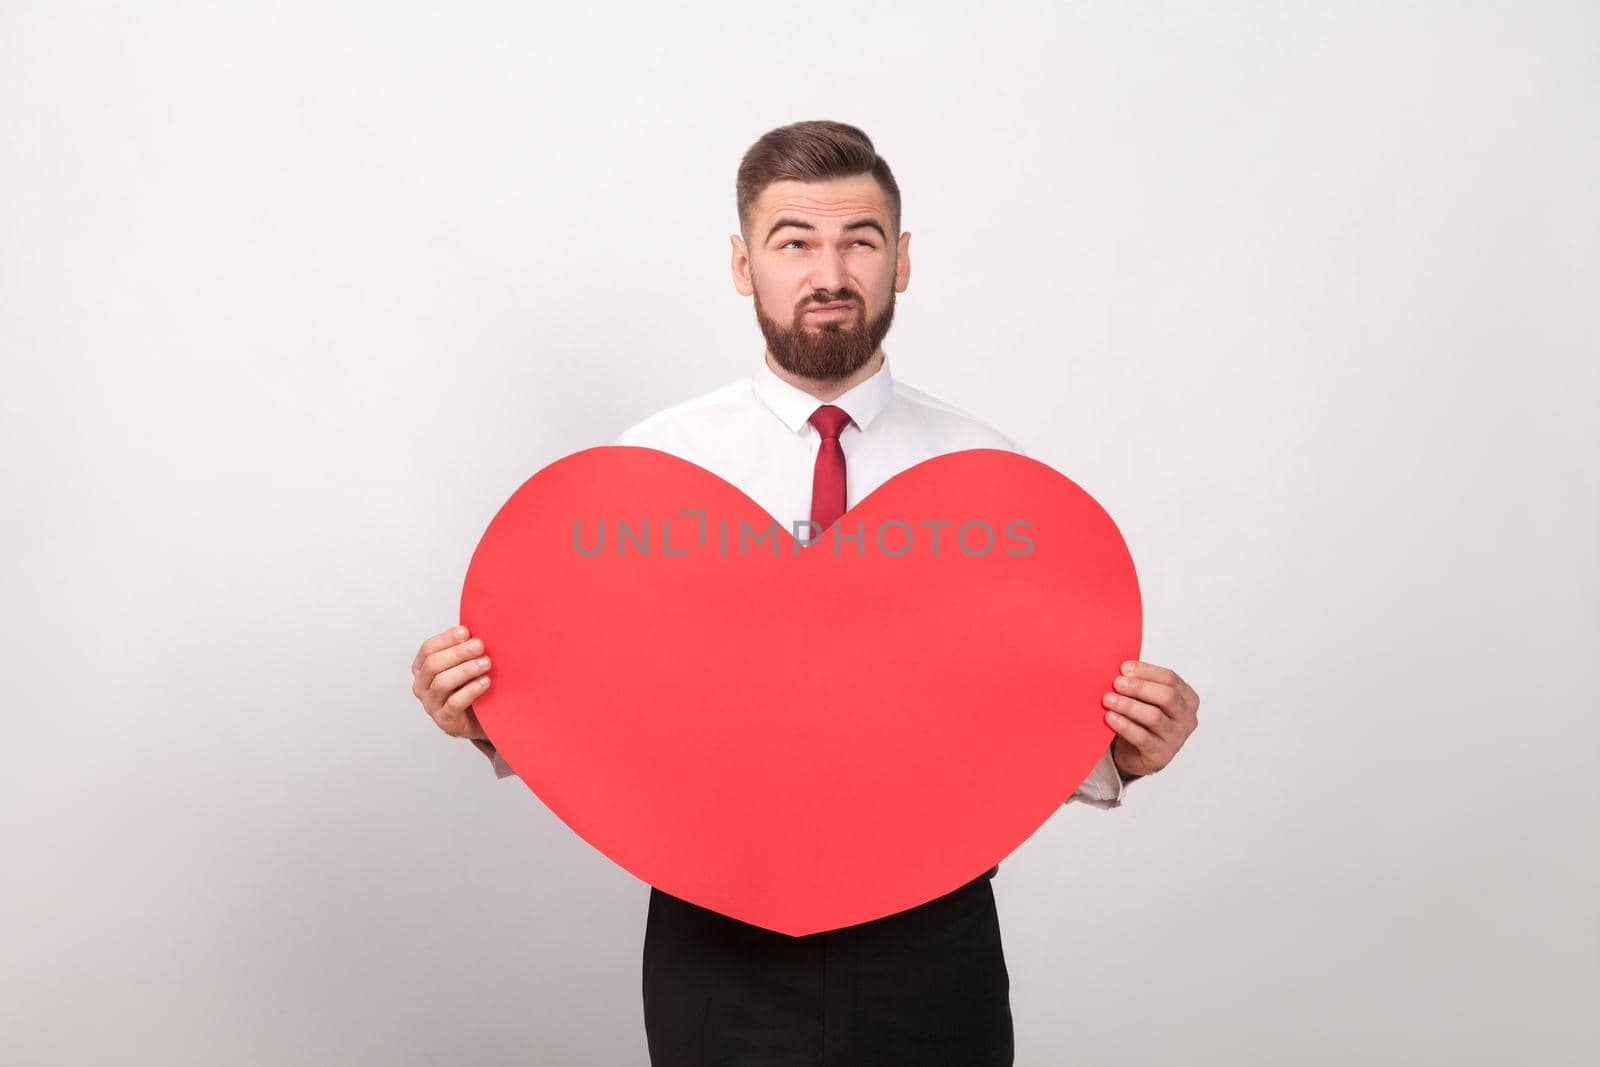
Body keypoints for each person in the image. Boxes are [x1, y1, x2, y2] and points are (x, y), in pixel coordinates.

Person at [410, 120, 1201, 1066]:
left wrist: (1124, 747)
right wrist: (487, 714)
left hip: (933, 937)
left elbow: (1012, 707)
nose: (829, 272)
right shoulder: (652, 471)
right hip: (715, 935)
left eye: (858, 240)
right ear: (745, 265)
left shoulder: (992, 477)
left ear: (900, 261)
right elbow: (604, 694)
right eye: (794, 242)